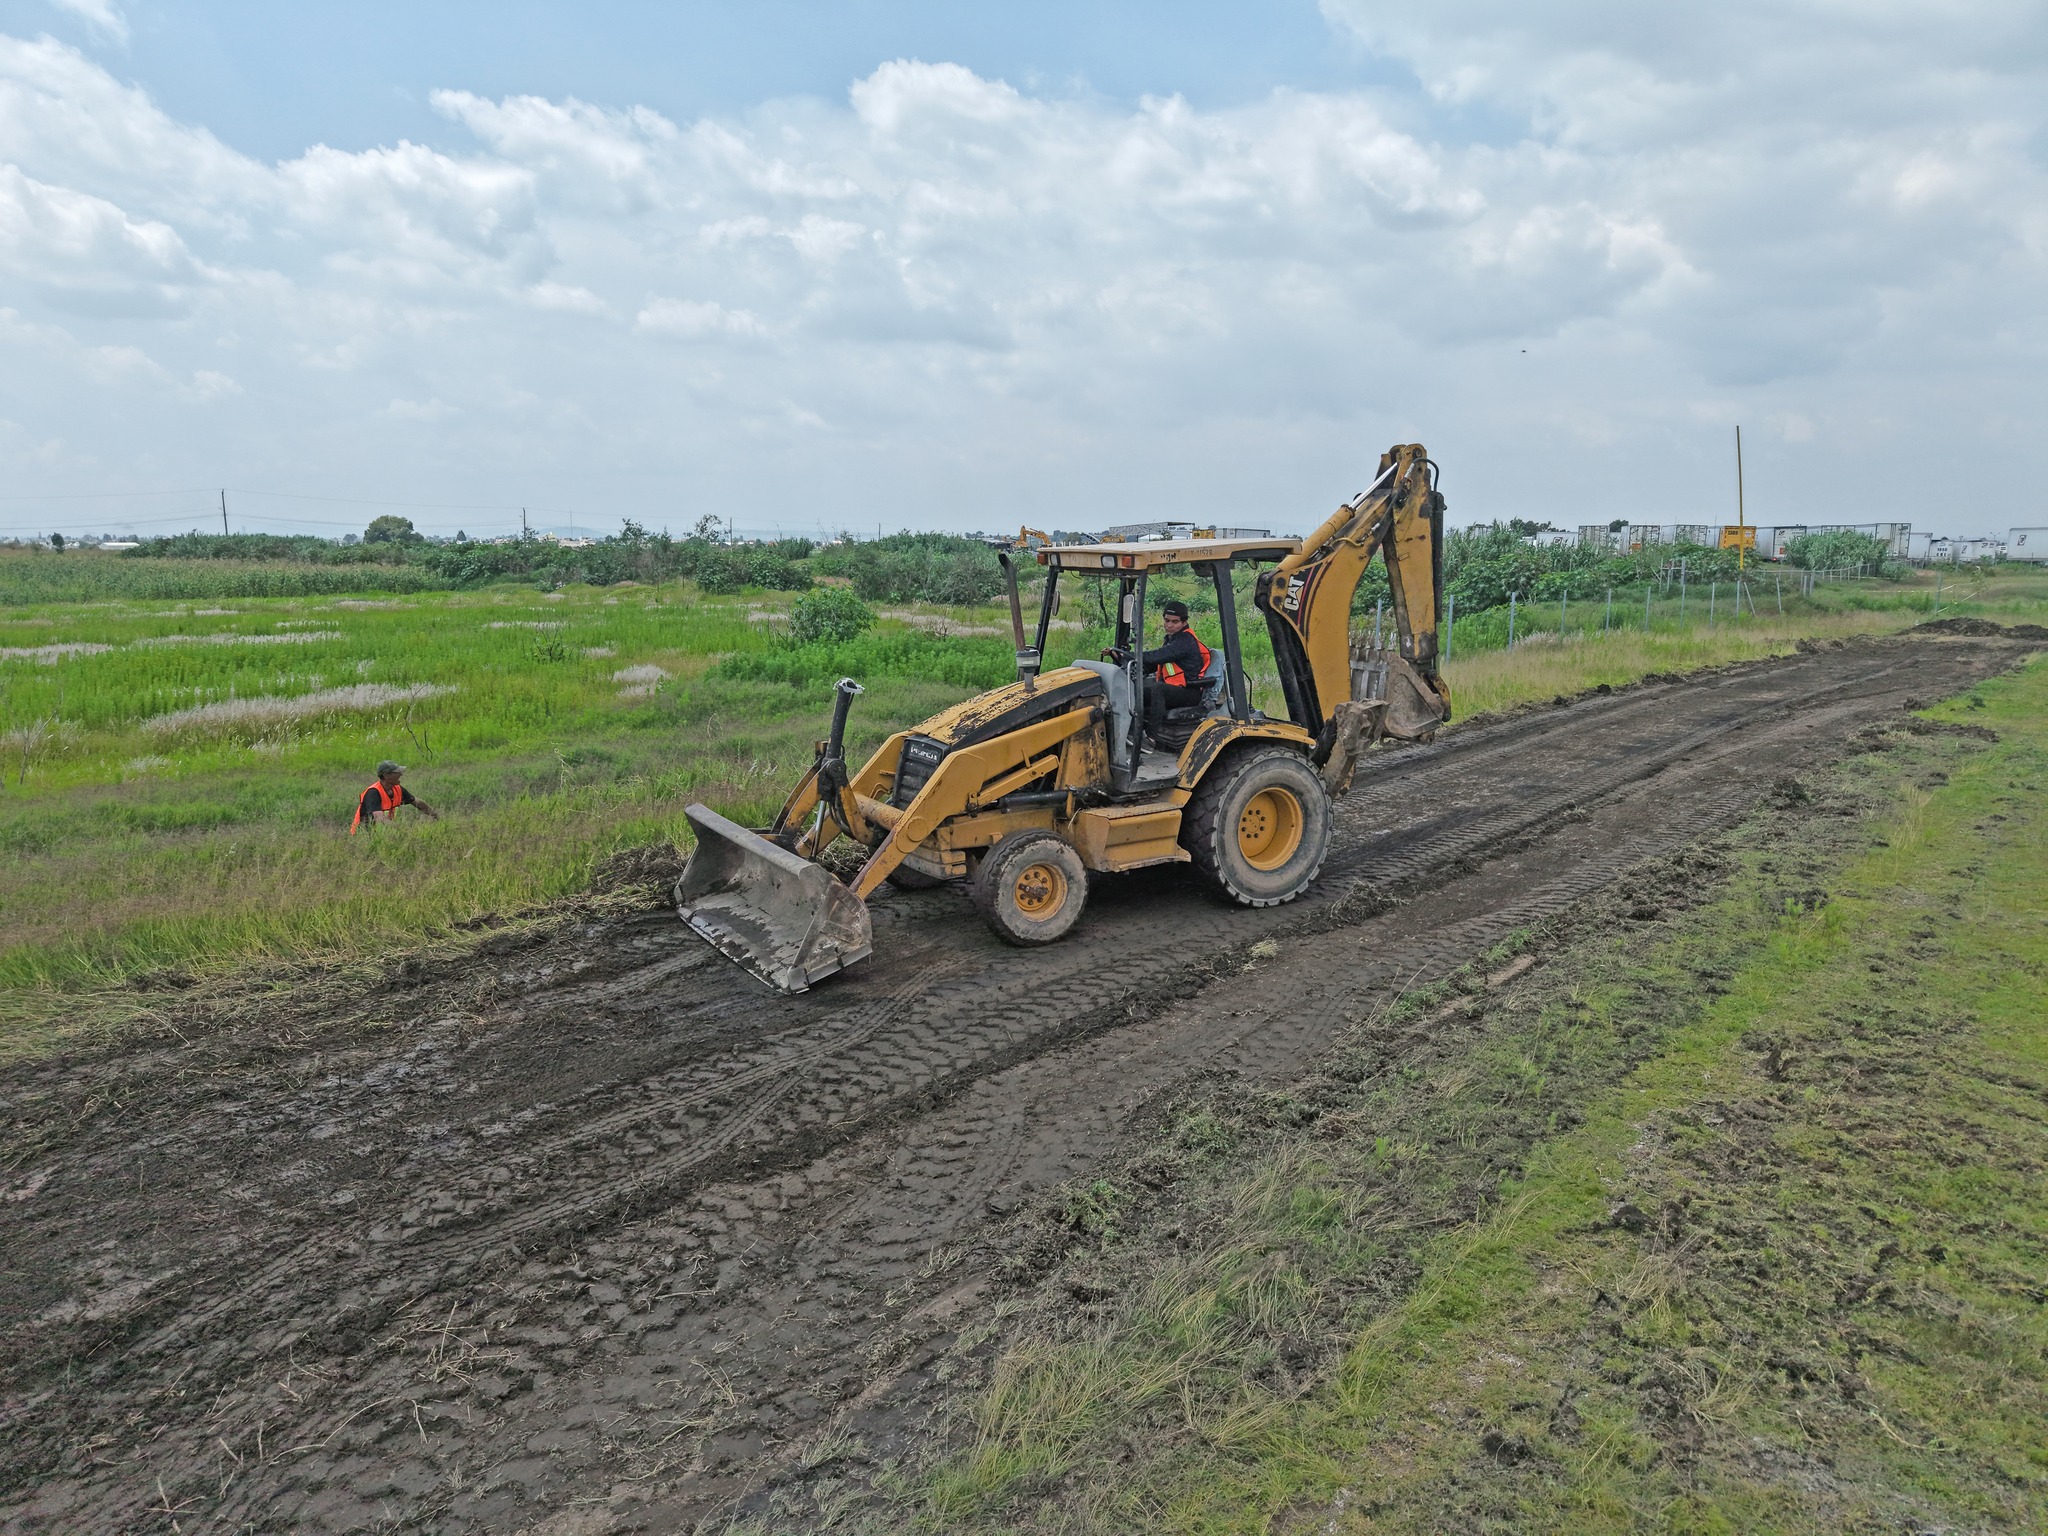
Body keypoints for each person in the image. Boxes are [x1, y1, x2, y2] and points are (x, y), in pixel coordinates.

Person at [1139, 600, 1213, 739]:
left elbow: (1158, 656)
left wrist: (1134, 656)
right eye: (1167, 621)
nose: (1169, 625)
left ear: (1184, 623)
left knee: (1158, 689)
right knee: (1138, 688)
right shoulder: (1172, 639)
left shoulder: (1185, 641)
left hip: (1189, 692)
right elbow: (1156, 663)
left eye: (1174, 622)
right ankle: (1133, 730)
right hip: (1175, 688)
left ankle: (1150, 737)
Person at [351, 760, 439, 833]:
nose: (401, 774)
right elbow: (380, 819)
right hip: (363, 835)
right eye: (397, 772)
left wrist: (435, 815)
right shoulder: (373, 792)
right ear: (386, 776)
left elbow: (417, 802)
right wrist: (403, 830)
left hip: (382, 833)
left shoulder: (397, 789)